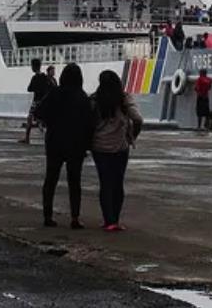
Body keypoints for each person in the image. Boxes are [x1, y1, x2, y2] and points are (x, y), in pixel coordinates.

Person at [37, 63, 90, 229]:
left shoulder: (55, 93)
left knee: (51, 179)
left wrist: (49, 122)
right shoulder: (82, 96)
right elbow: (89, 122)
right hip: (76, 143)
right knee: (74, 182)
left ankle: (48, 215)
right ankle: (75, 217)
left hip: (54, 141)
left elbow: (39, 112)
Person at [91, 70, 143, 232]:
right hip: (120, 147)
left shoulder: (94, 99)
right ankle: (116, 220)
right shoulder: (124, 98)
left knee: (105, 183)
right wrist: (132, 136)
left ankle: (108, 220)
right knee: (117, 183)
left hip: (99, 147)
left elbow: (88, 122)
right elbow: (138, 119)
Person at [21, 58, 49, 144]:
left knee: (30, 118)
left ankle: (27, 138)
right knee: (45, 120)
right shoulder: (44, 77)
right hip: (43, 101)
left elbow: (29, 88)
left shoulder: (35, 77)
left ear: (33, 67)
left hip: (36, 100)